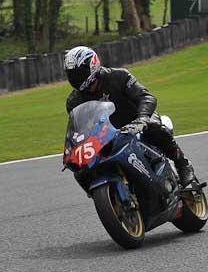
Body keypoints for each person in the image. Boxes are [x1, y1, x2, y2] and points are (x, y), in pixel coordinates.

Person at [63, 46, 196, 187]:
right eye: (72, 74)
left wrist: (142, 118)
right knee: (81, 170)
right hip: (108, 136)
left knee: (153, 128)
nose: (75, 78)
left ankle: (182, 164)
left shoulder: (118, 76)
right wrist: (72, 147)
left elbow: (147, 97)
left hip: (137, 121)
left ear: (92, 64)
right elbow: (80, 129)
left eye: (79, 73)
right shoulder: (73, 102)